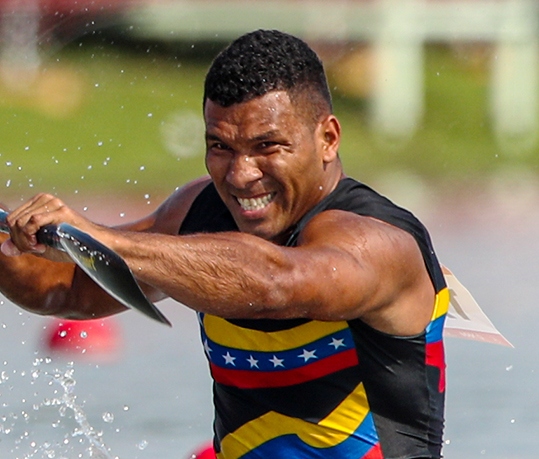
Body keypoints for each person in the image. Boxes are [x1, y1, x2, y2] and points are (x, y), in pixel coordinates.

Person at [0, 30, 448, 459]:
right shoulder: (198, 211)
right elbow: (67, 289)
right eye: (220, 147)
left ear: (327, 138)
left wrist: (99, 238)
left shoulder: (380, 243)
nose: (240, 175)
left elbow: (276, 283)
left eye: (267, 146)